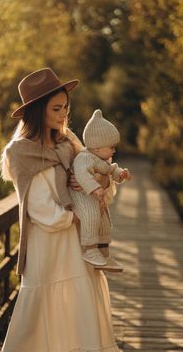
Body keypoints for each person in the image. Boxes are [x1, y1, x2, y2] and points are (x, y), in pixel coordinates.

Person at [0, 67, 121, 352]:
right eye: (56, 108)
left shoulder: (69, 143)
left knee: (80, 315)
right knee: (45, 320)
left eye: (66, 107)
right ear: (38, 111)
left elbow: (94, 181)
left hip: (77, 245)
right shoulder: (20, 152)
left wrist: (98, 182)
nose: (64, 114)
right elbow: (38, 207)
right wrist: (77, 215)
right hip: (48, 245)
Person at [69, 109, 132, 268]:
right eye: (112, 147)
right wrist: (95, 188)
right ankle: (89, 249)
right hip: (81, 196)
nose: (114, 150)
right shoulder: (84, 158)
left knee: (104, 221)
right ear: (97, 147)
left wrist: (120, 174)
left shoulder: (101, 158)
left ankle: (104, 253)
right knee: (91, 215)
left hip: (94, 196)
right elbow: (82, 175)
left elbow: (109, 169)